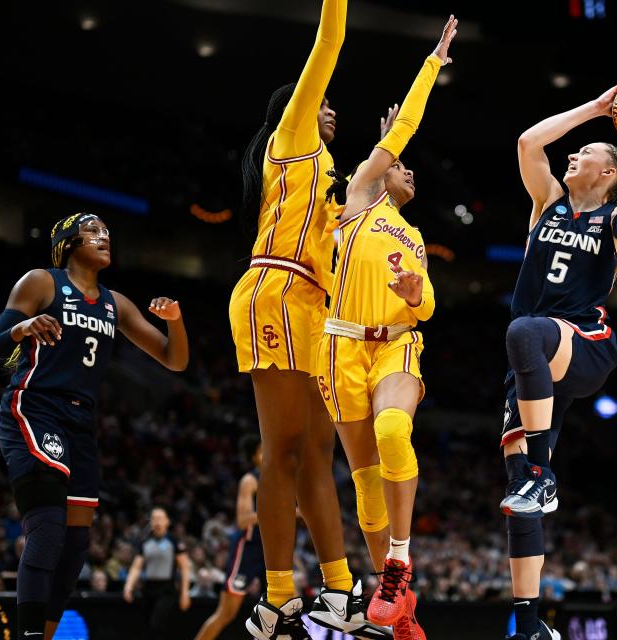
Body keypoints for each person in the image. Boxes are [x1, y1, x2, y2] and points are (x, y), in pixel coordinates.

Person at [227, 1, 390, 637]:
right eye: (316, 102)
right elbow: (330, 39)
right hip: (274, 289)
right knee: (284, 451)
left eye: (327, 108)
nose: (328, 109)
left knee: (321, 457)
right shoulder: (290, 141)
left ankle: (339, 588)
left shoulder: (328, 178)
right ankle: (273, 597)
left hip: (315, 309)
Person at [499, 82, 617, 640]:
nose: (575, 154)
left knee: (524, 330)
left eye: (589, 154)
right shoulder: (546, 204)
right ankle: (530, 626)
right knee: (518, 503)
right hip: (532, 366)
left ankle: (542, 474)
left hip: (584, 345)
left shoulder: (612, 222)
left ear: (608, 176)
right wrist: (597, 110)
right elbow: (530, 142)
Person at [314, 15, 458, 640]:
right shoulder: (362, 196)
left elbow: (426, 308)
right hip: (340, 348)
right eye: (403, 167)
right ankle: (399, 609)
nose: (410, 173)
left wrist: (414, 292)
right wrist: (432, 64)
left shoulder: (416, 236)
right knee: (365, 485)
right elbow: (401, 133)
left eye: (408, 170)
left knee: (395, 427)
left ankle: (399, 560)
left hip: (395, 347)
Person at [0, 212, 188, 639]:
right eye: (93, 232)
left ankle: (47, 633)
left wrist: (175, 321)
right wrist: (22, 328)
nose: (104, 237)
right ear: (68, 242)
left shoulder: (116, 303)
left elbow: (174, 359)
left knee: (75, 549)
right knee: (48, 528)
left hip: (81, 422)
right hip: (34, 407)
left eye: (108, 233)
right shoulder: (41, 282)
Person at [193, 435, 264, 640]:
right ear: (253, 456)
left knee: (284, 608)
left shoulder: (278, 477)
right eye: (262, 449)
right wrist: (289, 512)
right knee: (227, 613)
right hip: (248, 548)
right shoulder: (250, 480)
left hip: (270, 550)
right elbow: (243, 520)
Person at [123, 507, 192, 635]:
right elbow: (136, 567)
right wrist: (128, 586)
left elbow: (185, 568)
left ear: (167, 521)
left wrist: (185, 593)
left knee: (157, 622)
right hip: (148, 588)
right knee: (147, 625)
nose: (157, 522)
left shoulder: (174, 541)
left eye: (160, 518)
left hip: (167, 589)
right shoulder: (145, 542)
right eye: (154, 519)